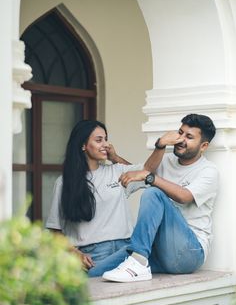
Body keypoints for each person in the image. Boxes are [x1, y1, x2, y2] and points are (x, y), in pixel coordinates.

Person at [88, 114, 219, 281]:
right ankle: (139, 260)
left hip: (189, 252)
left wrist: (151, 178)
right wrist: (160, 145)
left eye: (189, 137)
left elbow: (183, 196)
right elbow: (141, 172)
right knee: (95, 274)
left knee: (153, 193)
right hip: (158, 251)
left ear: (203, 146)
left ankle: (138, 262)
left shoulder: (208, 171)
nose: (181, 139)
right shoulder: (166, 161)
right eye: (180, 133)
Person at [46, 119, 147, 270]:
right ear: (83, 145)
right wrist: (73, 252)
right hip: (93, 255)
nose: (105, 144)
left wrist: (115, 158)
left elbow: (144, 173)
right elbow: (54, 230)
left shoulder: (116, 171)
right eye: (99, 140)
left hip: (126, 249)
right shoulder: (64, 183)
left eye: (106, 139)